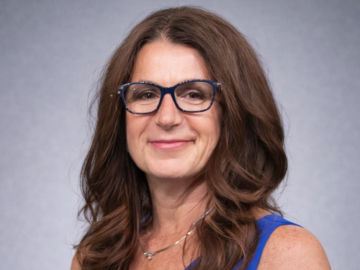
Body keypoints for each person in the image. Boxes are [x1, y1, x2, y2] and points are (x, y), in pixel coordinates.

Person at [71, 6, 331, 270]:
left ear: (232, 113)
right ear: (120, 116)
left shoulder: (285, 255)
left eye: (193, 94)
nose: (167, 118)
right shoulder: (94, 257)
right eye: (146, 94)